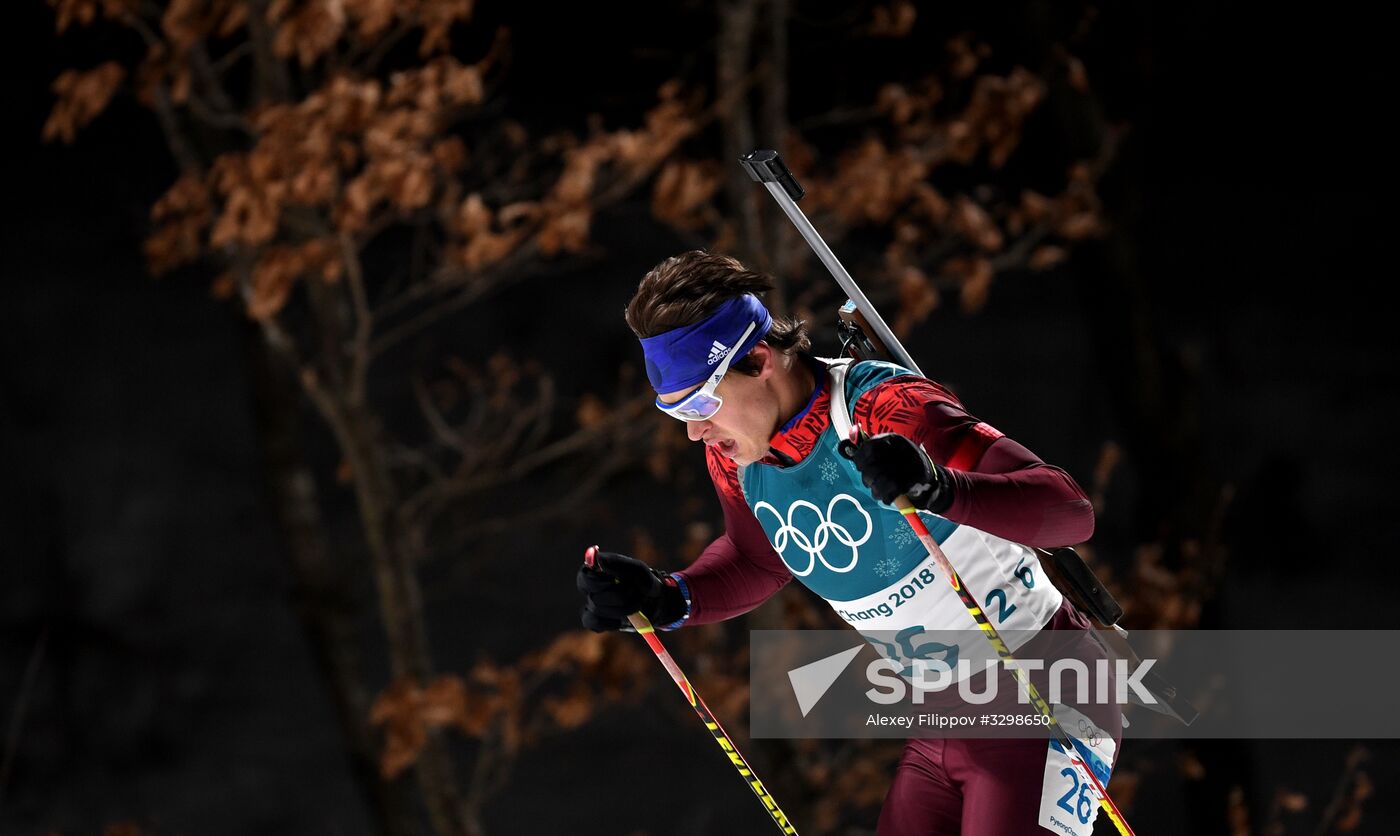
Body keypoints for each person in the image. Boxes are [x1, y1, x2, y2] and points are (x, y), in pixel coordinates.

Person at [578, 250, 1122, 835]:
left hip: (1045, 690)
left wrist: (940, 488)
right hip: (940, 719)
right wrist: (668, 597)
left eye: (699, 403)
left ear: (759, 359)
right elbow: (756, 560)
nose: (693, 431)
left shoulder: (886, 409)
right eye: (673, 411)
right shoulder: (740, 458)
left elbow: (1068, 511)